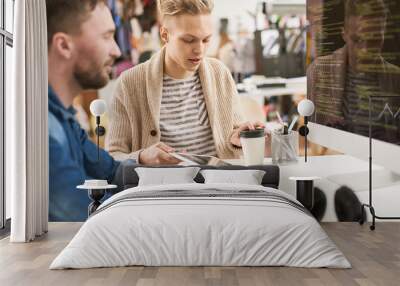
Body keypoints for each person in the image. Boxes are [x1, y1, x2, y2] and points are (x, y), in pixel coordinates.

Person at [106, 0, 264, 165]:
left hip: (219, 187)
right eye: (189, 40)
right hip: (159, 189)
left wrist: (239, 139)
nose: (199, 50)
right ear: (165, 35)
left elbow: (233, 139)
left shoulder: (220, 74)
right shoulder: (129, 84)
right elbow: (113, 157)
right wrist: (142, 156)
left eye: (206, 40)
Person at [47, 0, 126, 221]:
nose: (117, 50)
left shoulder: (65, 119)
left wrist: (149, 166)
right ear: (63, 45)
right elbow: (85, 218)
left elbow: (111, 171)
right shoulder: (45, 130)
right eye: (106, 36)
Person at [308, 0, 400, 142]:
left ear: (384, 34)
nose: (365, 51)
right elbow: (314, 137)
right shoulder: (319, 71)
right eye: (357, 40)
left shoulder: (395, 78)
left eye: (375, 40)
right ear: (344, 33)